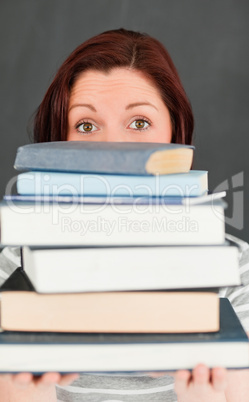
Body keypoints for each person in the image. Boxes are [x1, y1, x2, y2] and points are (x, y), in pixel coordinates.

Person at [1, 28, 249, 402]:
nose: (111, 152)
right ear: (57, 145)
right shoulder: (11, 274)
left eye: (140, 123)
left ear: (175, 137)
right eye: (86, 125)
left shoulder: (235, 272)